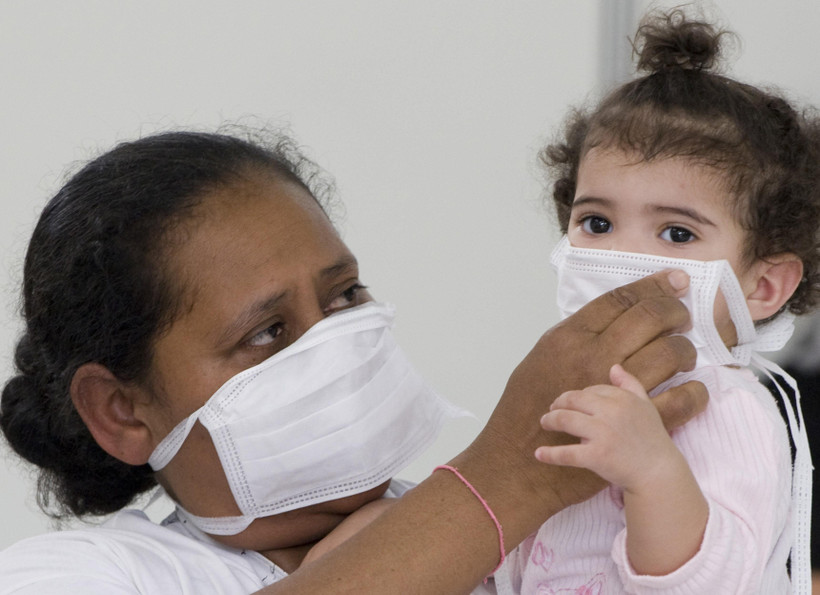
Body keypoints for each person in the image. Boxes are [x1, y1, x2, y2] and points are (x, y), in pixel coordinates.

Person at [0, 128, 707, 594]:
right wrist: (510, 477)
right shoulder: (81, 576)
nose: (332, 341)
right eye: (267, 331)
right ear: (122, 410)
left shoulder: (531, 544)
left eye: (344, 296)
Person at [495, 10, 820, 594]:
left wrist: (652, 471)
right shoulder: (569, 374)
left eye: (677, 234)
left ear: (763, 286)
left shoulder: (725, 408)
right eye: (596, 222)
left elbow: (716, 582)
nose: (621, 256)